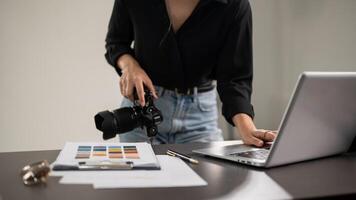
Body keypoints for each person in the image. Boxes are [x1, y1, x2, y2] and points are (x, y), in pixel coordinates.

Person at [105, 0, 277, 146]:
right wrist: (130, 66)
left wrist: (247, 129)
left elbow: (234, 78)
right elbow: (116, 42)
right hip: (142, 112)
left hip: (200, 118)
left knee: (210, 184)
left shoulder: (234, 5)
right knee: (141, 184)